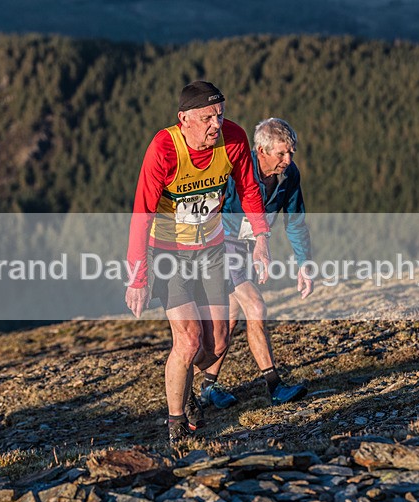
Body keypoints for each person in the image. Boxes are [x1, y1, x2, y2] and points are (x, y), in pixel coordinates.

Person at [125, 81, 271, 446]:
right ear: (184, 119)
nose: (215, 124)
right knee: (188, 341)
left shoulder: (234, 138)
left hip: (211, 250)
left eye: (219, 115)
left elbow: (250, 188)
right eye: (207, 117)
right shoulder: (165, 147)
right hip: (168, 254)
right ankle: (177, 425)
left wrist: (262, 239)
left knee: (217, 343)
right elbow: (141, 214)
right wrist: (138, 278)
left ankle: (186, 384)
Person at [198, 118, 313, 409]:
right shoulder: (236, 168)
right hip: (222, 247)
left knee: (230, 321)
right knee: (256, 306)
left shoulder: (290, 176)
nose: (288, 160)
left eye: (291, 153)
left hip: (249, 249)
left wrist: (304, 264)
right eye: (281, 154)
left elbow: (295, 220)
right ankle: (274, 387)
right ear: (261, 150)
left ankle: (207, 388)